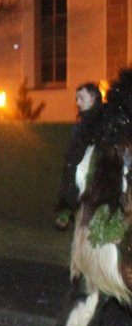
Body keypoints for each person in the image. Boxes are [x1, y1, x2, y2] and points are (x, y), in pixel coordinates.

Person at [55, 82, 105, 230]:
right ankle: (68, 207)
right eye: (77, 98)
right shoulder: (80, 124)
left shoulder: (103, 120)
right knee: (71, 171)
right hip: (78, 167)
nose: (77, 102)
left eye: (81, 98)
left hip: (97, 168)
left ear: (93, 98)